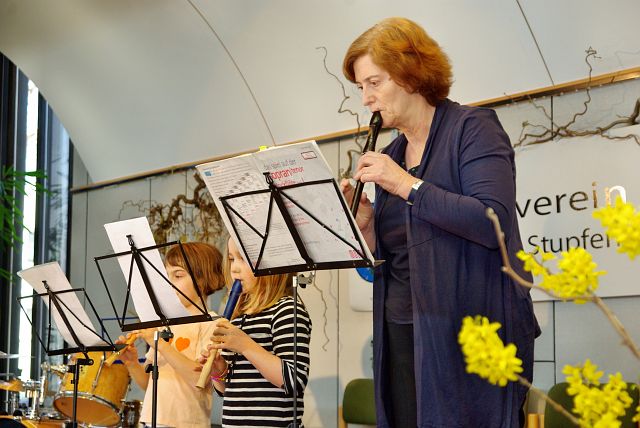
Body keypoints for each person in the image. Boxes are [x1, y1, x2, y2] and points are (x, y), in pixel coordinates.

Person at [340, 17, 540, 428]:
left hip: (468, 333)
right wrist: (367, 227)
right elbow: (395, 255)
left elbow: (492, 222)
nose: (365, 99)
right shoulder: (392, 154)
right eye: (360, 87)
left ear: (410, 73)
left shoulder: (473, 129)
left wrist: (405, 184)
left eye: (374, 83)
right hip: (401, 331)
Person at [199, 237, 312, 428]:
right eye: (231, 259)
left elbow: (294, 381)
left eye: (243, 259)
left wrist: (245, 345)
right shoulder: (238, 316)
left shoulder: (287, 311)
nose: (234, 268)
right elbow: (227, 391)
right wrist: (219, 371)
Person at [116, 242, 225, 428]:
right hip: (150, 420)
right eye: (167, 276)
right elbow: (149, 384)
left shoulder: (214, 324)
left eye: (178, 275)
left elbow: (200, 379)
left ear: (203, 279)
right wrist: (132, 363)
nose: (168, 283)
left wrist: (161, 345)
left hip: (186, 423)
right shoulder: (167, 325)